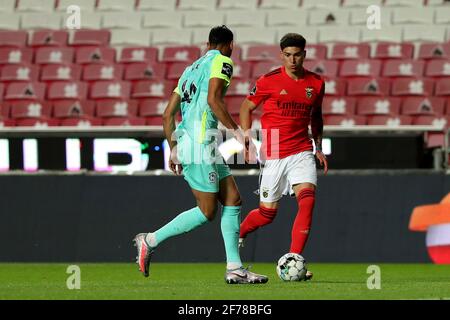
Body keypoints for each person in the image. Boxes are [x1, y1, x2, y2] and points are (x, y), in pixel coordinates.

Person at [133, 25, 268, 284]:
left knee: (233, 200)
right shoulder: (223, 62)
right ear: (230, 45)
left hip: (191, 142)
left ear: (207, 44)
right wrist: (239, 134)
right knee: (207, 211)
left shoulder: (189, 70)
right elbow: (214, 101)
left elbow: (167, 114)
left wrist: (174, 148)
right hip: (200, 145)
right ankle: (149, 240)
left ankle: (235, 268)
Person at [238, 33, 328, 280]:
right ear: (281, 55)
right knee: (267, 214)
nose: (292, 59)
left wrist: (317, 147)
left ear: (304, 55)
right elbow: (246, 107)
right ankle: (240, 232)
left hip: (301, 151)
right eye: (288, 55)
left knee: (307, 201)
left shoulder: (316, 83)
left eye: (297, 54)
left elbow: (317, 116)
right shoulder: (268, 81)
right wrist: (247, 140)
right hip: (274, 153)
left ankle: (294, 259)